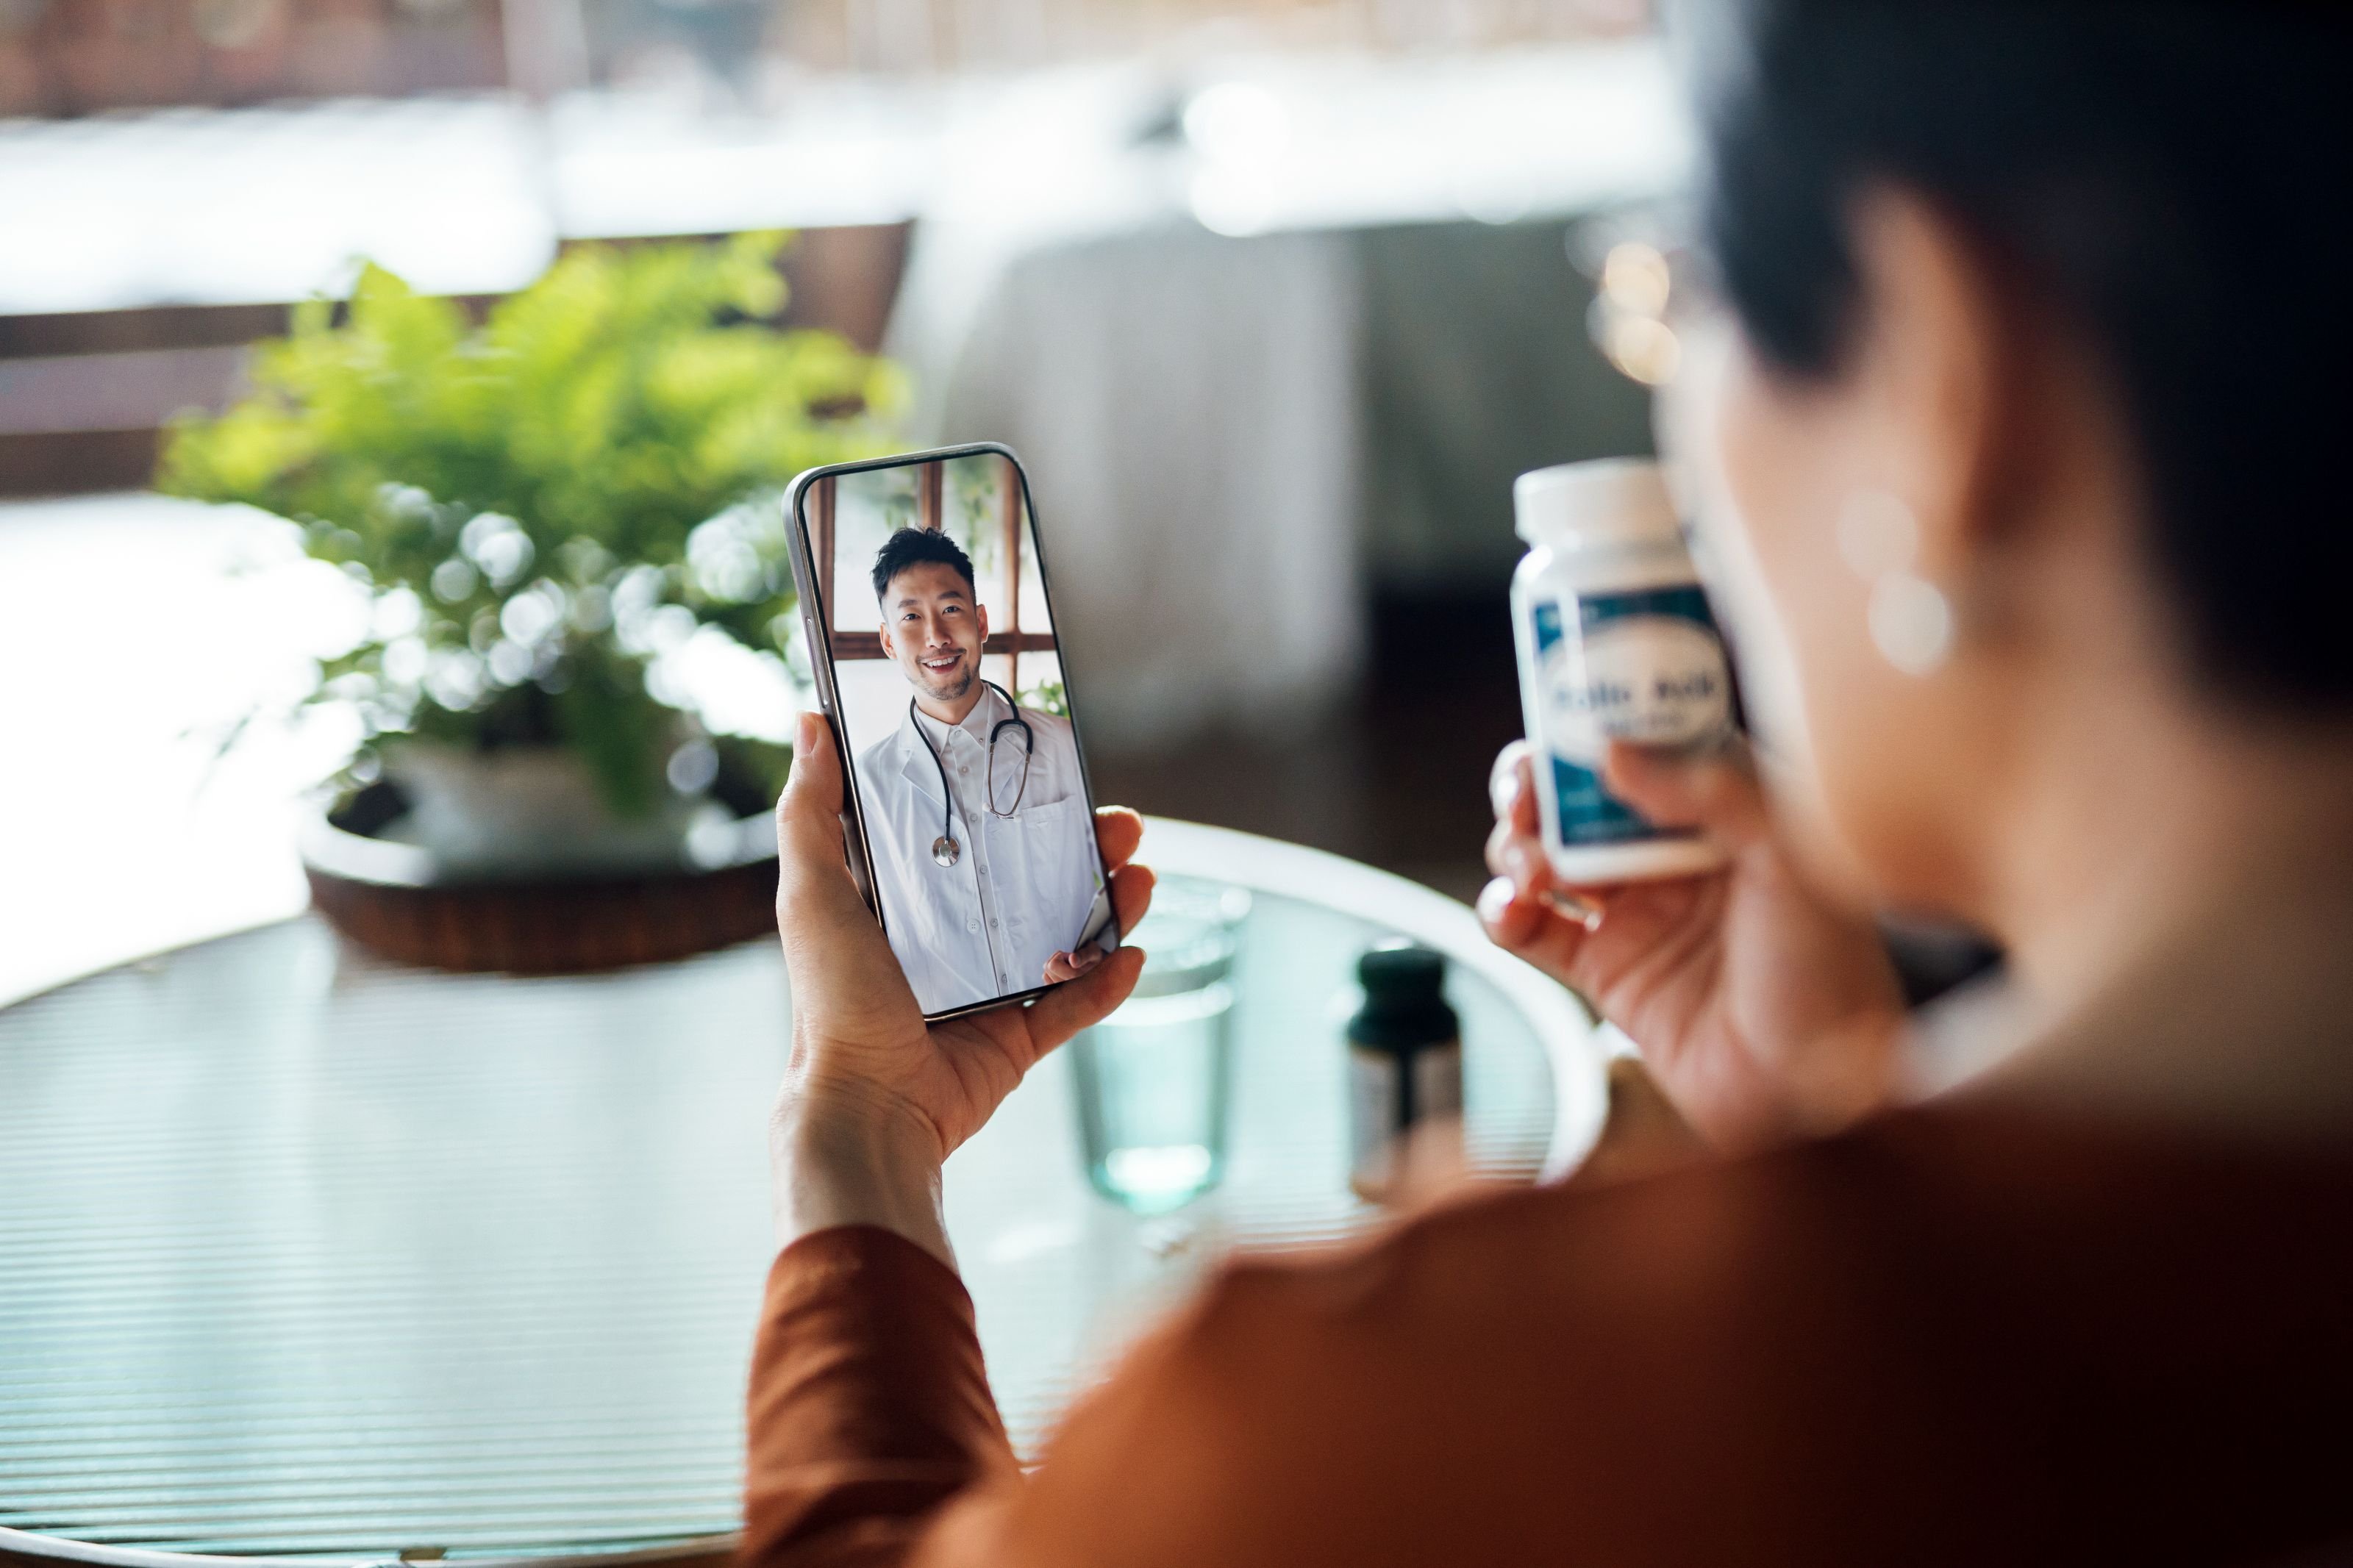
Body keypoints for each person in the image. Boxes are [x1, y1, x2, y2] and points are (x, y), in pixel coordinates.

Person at [748, 2, 2353, 1563]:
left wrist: (863, 1131)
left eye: (1679, 293)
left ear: (1945, 376)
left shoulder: (1403, 1419)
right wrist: (1828, 1122)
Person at [849, 527, 1113, 1015]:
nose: (936, 636)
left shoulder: (1065, 744)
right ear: (887, 640)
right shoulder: (862, 789)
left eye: (951, 608)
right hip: (944, 1048)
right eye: (911, 617)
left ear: (982, 621)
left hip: (1068, 1015)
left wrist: (1102, 947)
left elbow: (1110, 887)